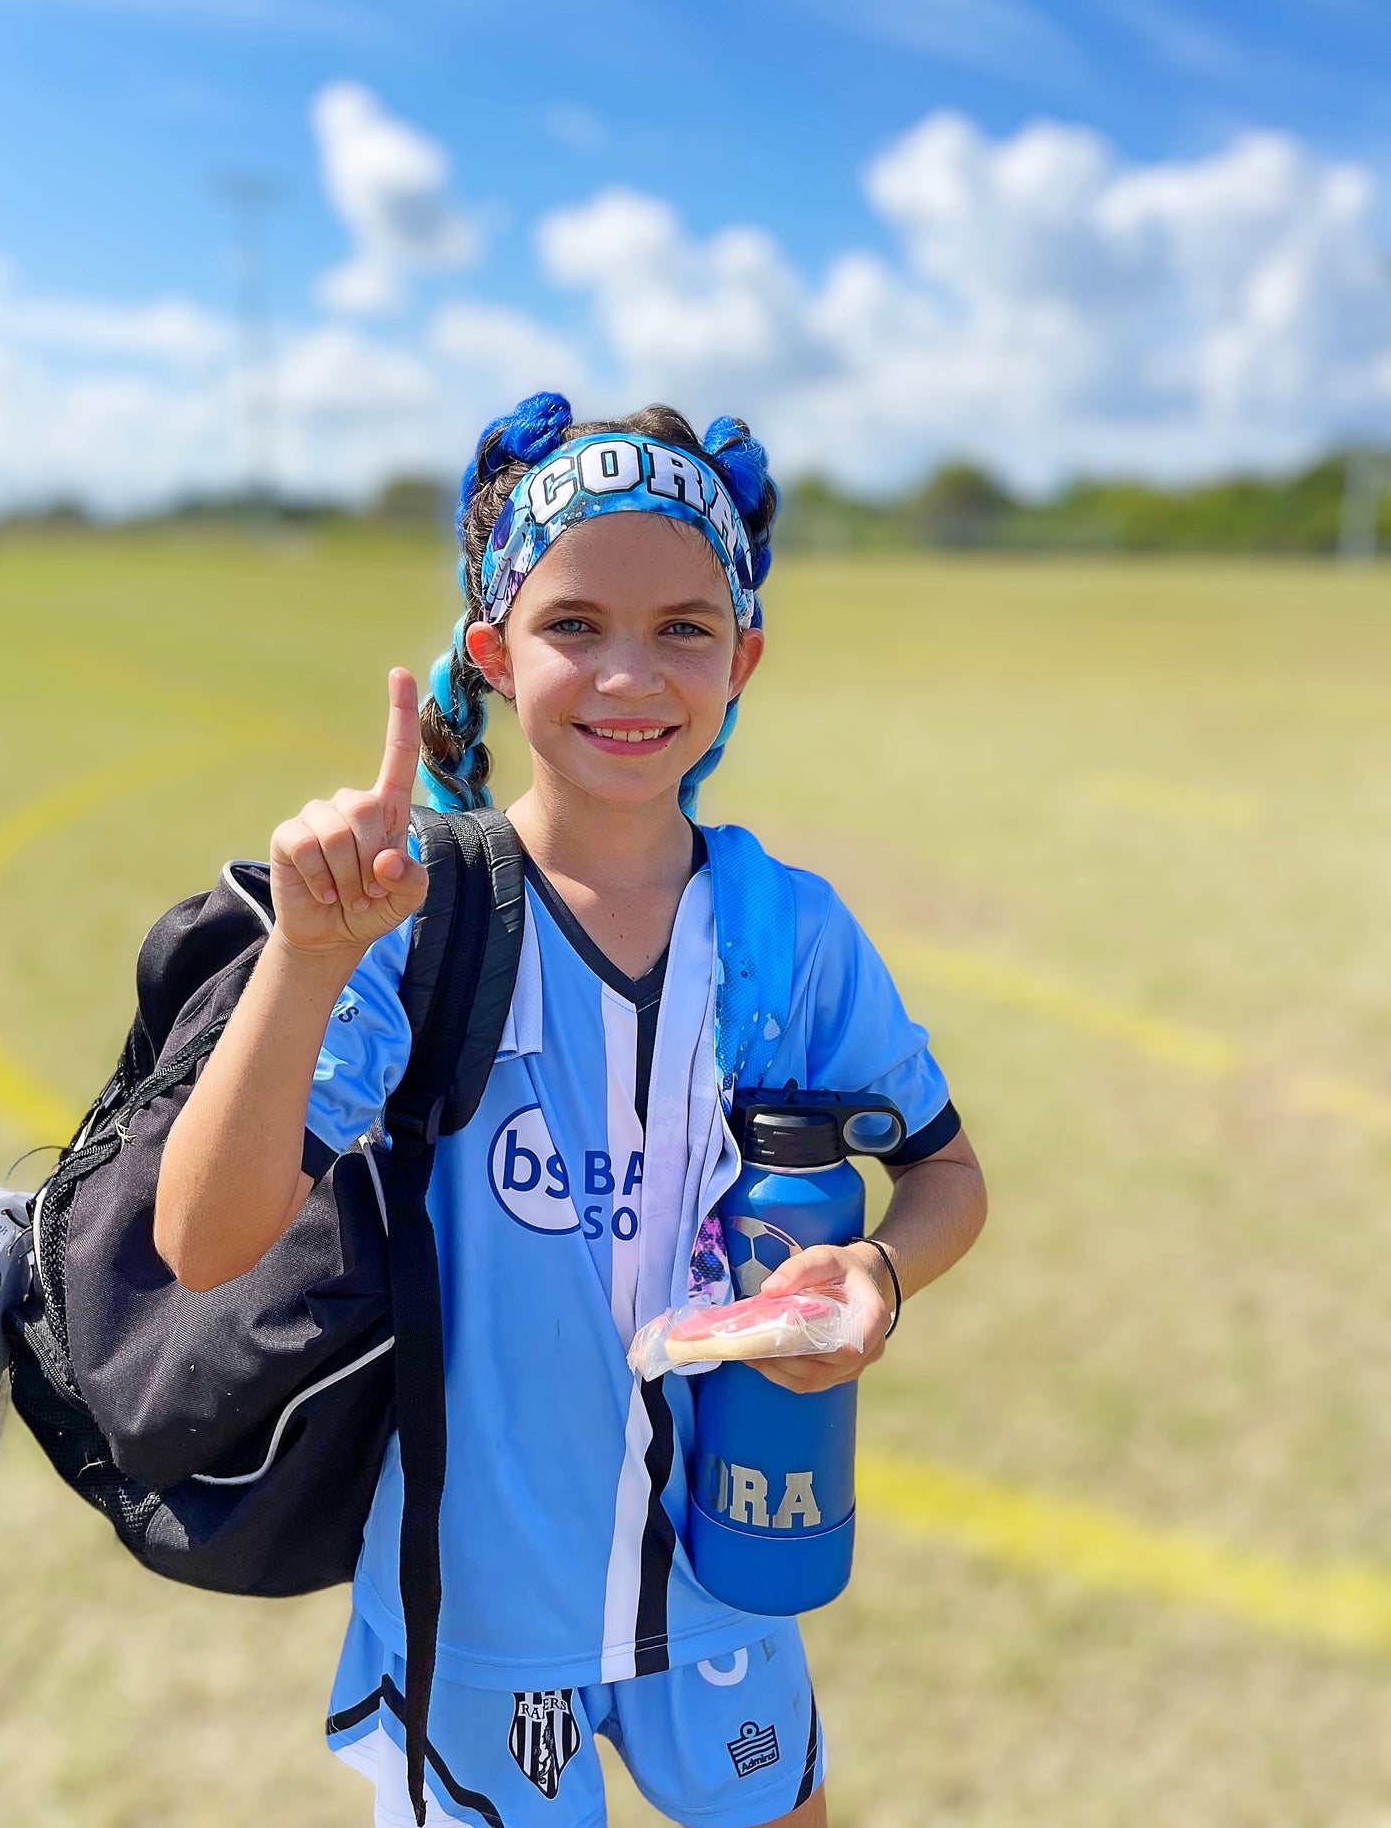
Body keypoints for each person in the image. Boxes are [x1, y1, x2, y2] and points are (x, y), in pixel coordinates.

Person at [153, 395, 987, 1828]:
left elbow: (946, 1172)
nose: (630, 672)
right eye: (573, 623)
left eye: (682, 627)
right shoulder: (421, 917)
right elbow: (202, 1242)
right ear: (491, 649)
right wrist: (303, 957)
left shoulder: (793, 932)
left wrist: (877, 1273)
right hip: (476, 1606)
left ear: (745, 658)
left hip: (730, 1564)